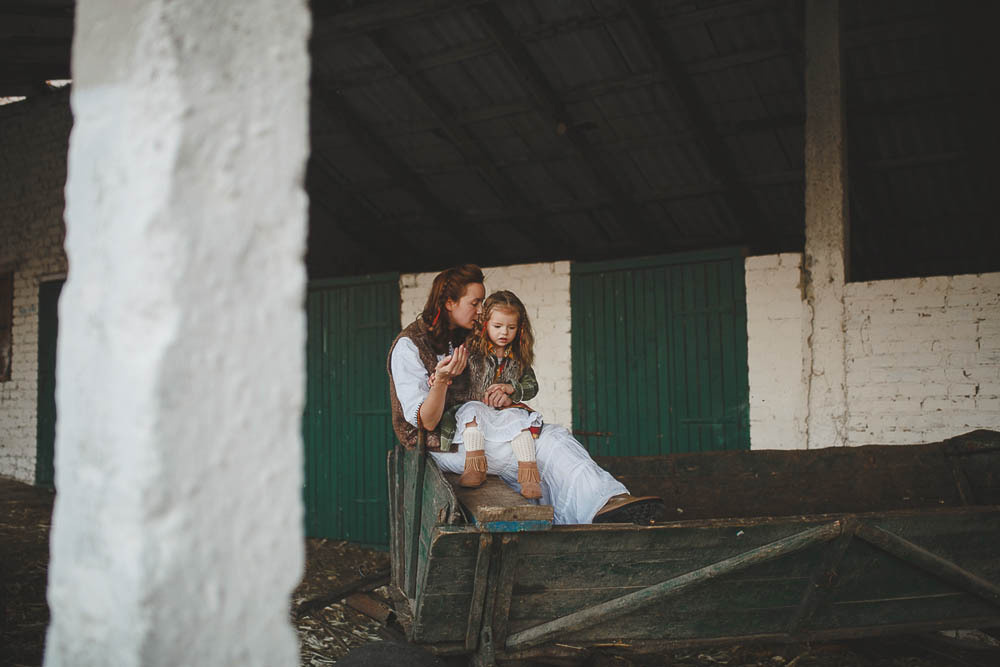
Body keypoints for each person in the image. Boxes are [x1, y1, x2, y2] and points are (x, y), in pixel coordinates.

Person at [387, 264, 664, 525]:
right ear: (450, 303)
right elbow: (425, 422)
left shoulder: (465, 336)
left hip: (484, 425)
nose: (482, 311)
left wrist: (507, 393)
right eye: (475, 303)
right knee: (542, 450)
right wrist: (441, 381)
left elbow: (497, 378)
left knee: (555, 437)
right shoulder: (409, 347)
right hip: (444, 443)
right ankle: (583, 514)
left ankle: (611, 501)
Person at [439, 290, 544, 499]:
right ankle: (475, 467)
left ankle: (529, 477)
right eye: (497, 326)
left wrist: (512, 389)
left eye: (511, 327)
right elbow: (454, 378)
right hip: (476, 406)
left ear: (520, 328)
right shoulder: (471, 351)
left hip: (502, 411)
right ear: (484, 324)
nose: (504, 332)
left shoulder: (518, 356)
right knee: (471, 412)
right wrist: (443, 376)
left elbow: (532, 386)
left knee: (520, 423)